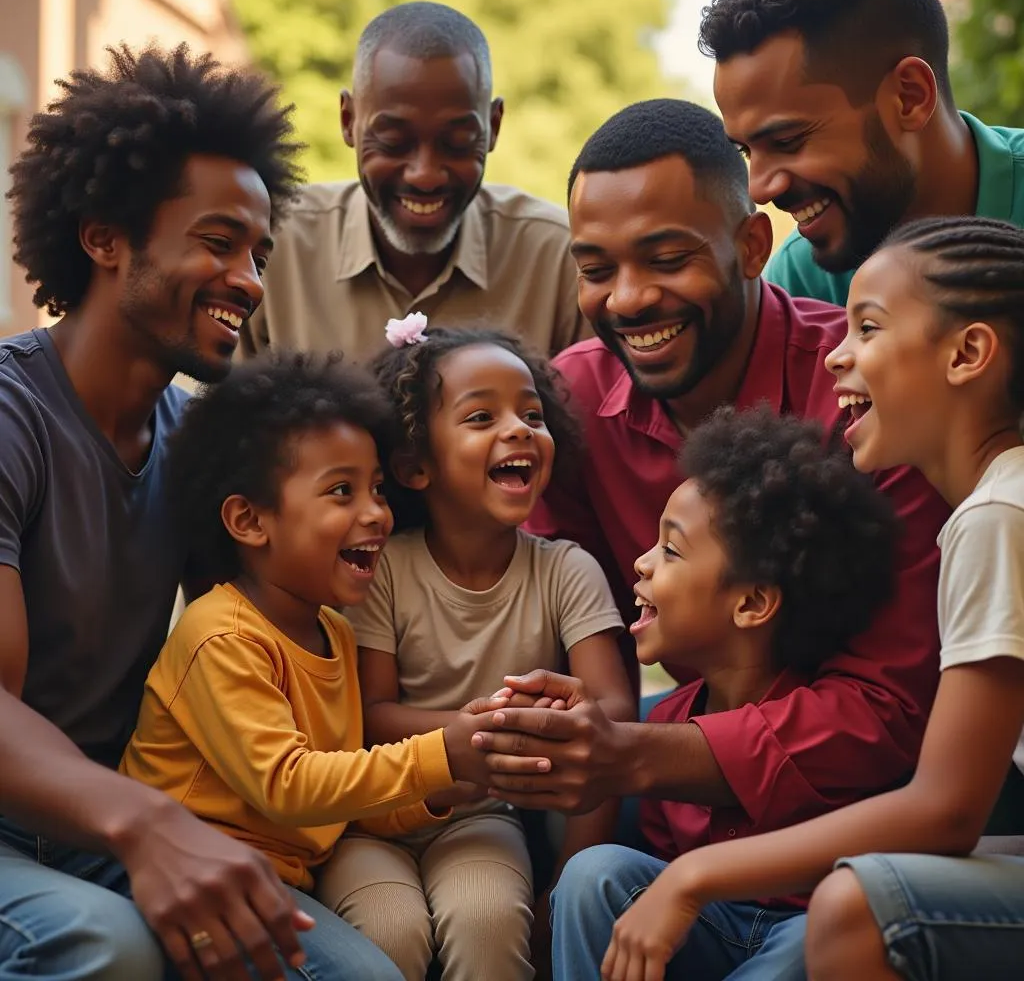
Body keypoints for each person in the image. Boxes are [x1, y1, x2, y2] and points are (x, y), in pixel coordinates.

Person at [463, 98, 950, 952]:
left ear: (751, 248)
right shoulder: (568, 410)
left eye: (666, 259)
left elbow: (892, 709)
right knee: (576, 873)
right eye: (597, 268)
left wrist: (636, 751)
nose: (628, 299)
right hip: (671, 800)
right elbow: (578, 639)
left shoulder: (867, 396)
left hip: (861, 831)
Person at [0, 42, 389, 981]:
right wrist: (151, 825)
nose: (251, 280)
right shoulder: (13, 418)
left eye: (257, 253)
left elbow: (265, 648)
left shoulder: (194, 443)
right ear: (105, 238)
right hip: (34, 832)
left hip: (110, 822)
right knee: (105, 945)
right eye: (219, 243)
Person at [587, 216, 1024, 981]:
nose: (837, 353)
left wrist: (696, 877)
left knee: (856, 903)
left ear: (968, 353)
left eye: (869, 328)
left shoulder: (999, 514)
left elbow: (947, 809)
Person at [121, 351, 504, 977]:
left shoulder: (332, 631)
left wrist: (458, 781)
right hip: (198, 881)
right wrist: (440, 751)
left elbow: (342, 797)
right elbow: (290, 785)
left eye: (377, 488)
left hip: (277, 881)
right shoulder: (221, 636)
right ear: (249, 520)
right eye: (340, 491)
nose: (377, 513)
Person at [317, 319, 635, 980]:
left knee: (489, 920)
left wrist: (565, 885)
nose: (518, 430)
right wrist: (490, 729)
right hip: (371, 816)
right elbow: (370, 713)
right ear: (414, 464)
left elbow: (612, 717)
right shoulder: (386, 569)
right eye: (481, 416)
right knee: (389, 932)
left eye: (531, 413)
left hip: (479, 815)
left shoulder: (565, 572)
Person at [550, 403, 899, 980]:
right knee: (594, 874)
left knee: (812, 938)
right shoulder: (665, 727)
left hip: (812, 935)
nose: (639, 562)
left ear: (752, 603)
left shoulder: (826, 737)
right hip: (703, 929)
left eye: (671, 549)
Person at [240, 1, 588, 362]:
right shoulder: (271, 246)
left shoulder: (557, 261)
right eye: (392, 140)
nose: (425, 174)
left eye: (457, 142)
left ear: (494, 126)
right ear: (348, 120)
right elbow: (208, 411)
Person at [700, 0, 1024, 307]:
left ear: (909, 98)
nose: (759, 189)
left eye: (787, 142)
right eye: (747, 151)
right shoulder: (802, 285)